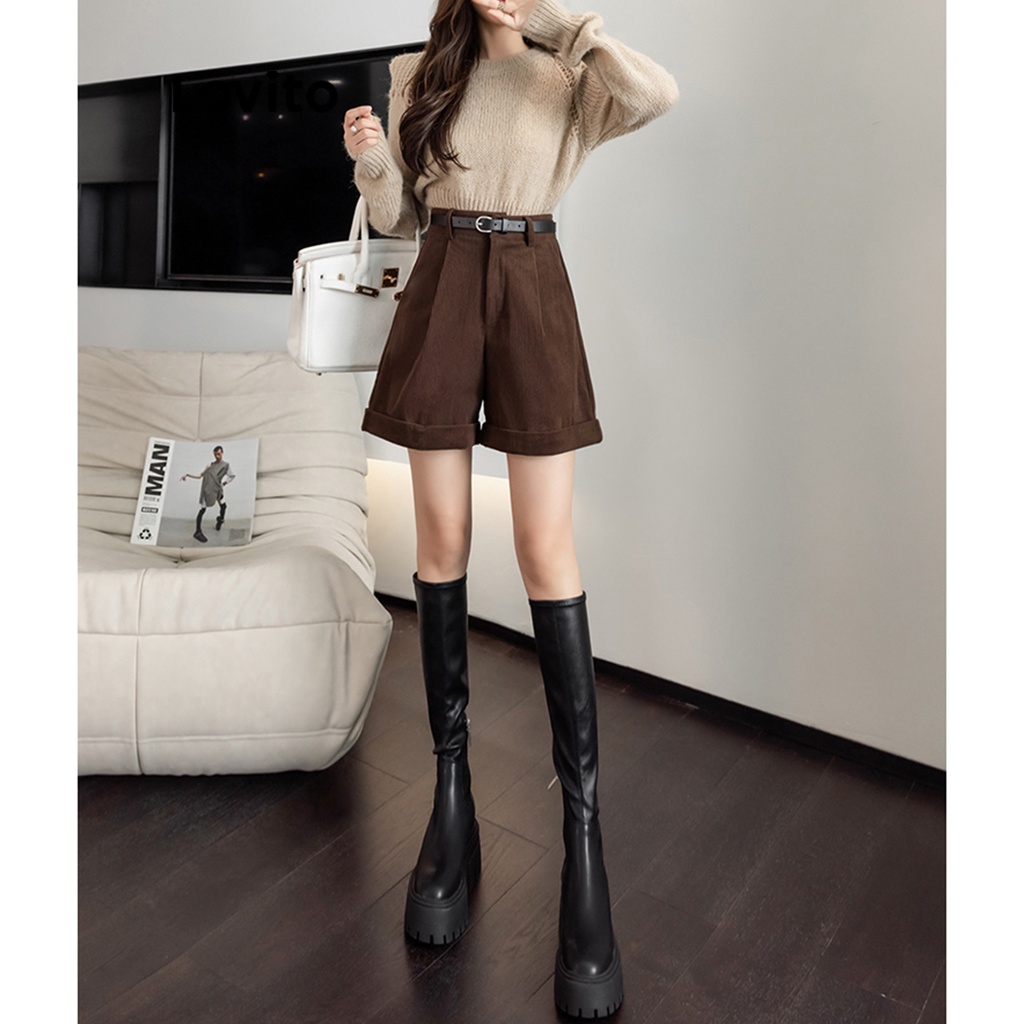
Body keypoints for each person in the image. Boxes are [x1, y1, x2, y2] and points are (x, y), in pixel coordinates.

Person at [344, 0, 677, 1016]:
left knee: (543, 545)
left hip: (533, 279)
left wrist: (559, 22)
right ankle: (452, 803)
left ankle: (582, 839)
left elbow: (658, 95)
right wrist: (370, 160)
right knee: (441, 537)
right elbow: (398, 217)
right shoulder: (419, 71)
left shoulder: (570, 71)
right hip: (442, 276)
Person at [180, 445, 234, 543]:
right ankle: (197, 531)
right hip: (208, 490)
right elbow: (200, 476)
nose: (217, 456)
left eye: (218, 454)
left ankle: (220, 520)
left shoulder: (226, 465)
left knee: (223, 506)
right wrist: (187, 475)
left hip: (218, 490)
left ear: (222, 453)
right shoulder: (210, 465)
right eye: (215, 454)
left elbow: (231, 476)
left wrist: (223, 484)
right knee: (202, 510)